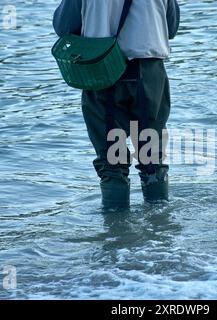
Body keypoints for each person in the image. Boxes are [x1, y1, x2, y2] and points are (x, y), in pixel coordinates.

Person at [53, 0, 180, 208]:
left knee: (112, 162)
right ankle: (159, 229)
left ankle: (115, 234)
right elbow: (171, 27)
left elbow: (64, 27)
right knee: (152, 159)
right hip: (149, 73)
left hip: (102, 70)